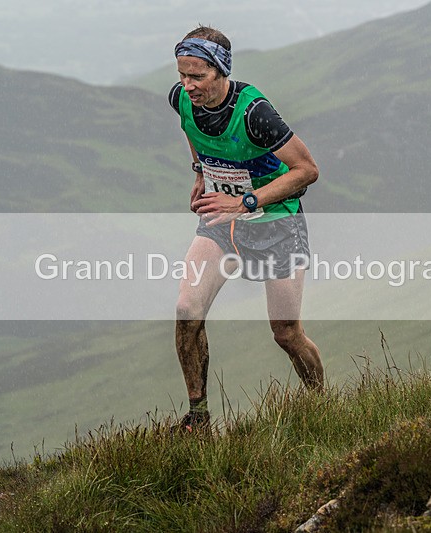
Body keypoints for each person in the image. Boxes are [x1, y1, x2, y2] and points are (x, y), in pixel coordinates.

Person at [169, 25, 324, 432]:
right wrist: (201, 171)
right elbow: (191, 129)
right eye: (182, 75)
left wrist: (246, 201)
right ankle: (198, 418)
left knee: (286, 333)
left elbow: (307, 170)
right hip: (221, 223)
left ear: (221, 72)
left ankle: (321, 408)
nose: (187, 86)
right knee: (187, 310)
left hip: (276, 222)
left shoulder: (255, 114)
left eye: (197, 76)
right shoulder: (181, 99)